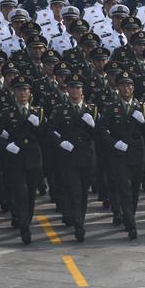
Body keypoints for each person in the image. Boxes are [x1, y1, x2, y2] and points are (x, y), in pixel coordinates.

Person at [97, 71, 145, 239]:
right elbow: (102, 129)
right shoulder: (111, 107)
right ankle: (131, 224)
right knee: (124, 189)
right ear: (118, 88)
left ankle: (129, 214)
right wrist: (114, 143)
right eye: (124, 85)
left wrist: (144, 122)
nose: (127, 88)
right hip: (118, 153)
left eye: (130, 85)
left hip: (137, 153)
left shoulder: (141, 106)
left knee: (134, 189)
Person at [48, 73, 97, 241]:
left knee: (83, 191)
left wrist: (93, 125)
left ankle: (80, 218)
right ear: (67, 90)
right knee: (74, 191)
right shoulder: (61, 110)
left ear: (82, 90)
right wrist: (61, 142)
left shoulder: (91, 109)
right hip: (68, 157)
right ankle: (78, 224)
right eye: (72, 87)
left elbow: (100, 135)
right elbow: (50, 130)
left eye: (78, 87)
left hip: (86, 156)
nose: (75, 91)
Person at [0, 75, 44, 244]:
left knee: (31, 193)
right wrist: (7, 145)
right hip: (15, 159)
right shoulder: (7, 112)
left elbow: (45, 137)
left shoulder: (37, 112)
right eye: (19, 89)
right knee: (20, 192)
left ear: (30, 92)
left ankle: (26, 220)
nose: (22, 93)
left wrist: (38, 126)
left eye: (25, 89)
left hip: (32, 158)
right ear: (14, 92)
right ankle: (24, 227)